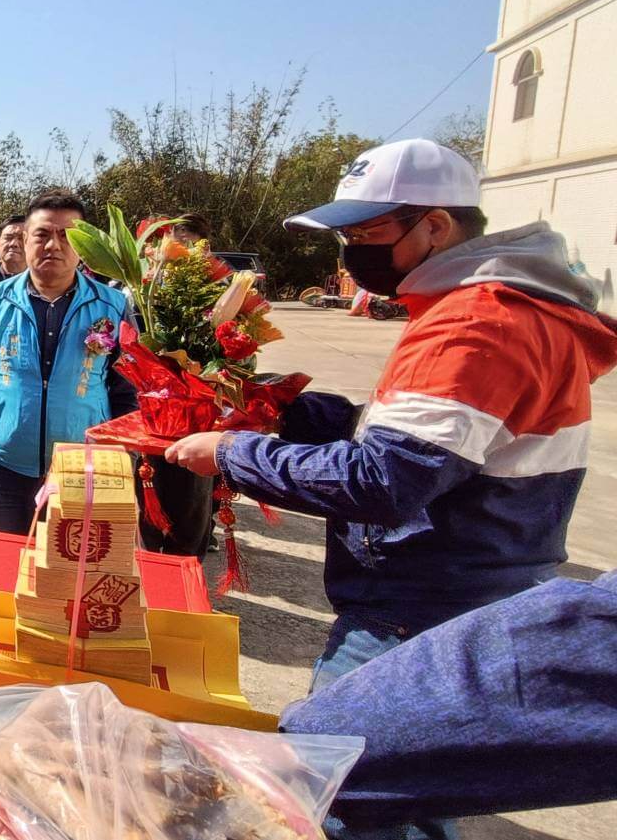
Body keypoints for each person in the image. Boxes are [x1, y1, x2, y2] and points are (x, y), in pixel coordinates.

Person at [164, 139, 617, 691]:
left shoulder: (476, 324)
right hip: (467, 588)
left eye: (363, 235)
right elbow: (424, 438)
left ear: (435, 226)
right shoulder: (493, 309)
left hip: (427, 612)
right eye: (345, 238)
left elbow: (385, 478)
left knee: (335, 742)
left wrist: (233, 454)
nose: (350, 253)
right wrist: (284, 411)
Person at [279, 570, 617, 831]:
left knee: (333, 805)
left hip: (405, 618)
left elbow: (390, 490)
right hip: (479, 597)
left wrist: (316, 746)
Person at [0, 191, 138, 534]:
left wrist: (124, 456)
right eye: (43, 234)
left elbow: (130, 388)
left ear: (84, 245)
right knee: (3, 559)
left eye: (67, 236)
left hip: (83, 468)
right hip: (2, 466)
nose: (53, 245)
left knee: (69, 559)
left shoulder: (111, 306)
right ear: (25, 240)